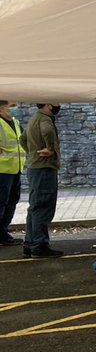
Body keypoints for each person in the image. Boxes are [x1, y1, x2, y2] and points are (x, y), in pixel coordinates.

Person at [20, 103, 61, 258]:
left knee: (35, 207)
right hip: (44, 169)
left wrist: (32, 155)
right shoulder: (45, 119)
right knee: (43, 207)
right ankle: (39, 245)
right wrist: (50, 149)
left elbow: (22, 139)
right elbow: (47, 131)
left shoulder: (34, 118)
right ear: (49, 104)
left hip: (35, 168)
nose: (59, 104)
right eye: (56, 102)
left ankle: (30, 244)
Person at [0, 101, 24, 245]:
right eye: (12, 105)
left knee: (12, 201)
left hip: (15, 169)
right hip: (2, 170)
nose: (15, 108)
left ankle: (3, 232)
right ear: (2, 108)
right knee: (1, 202)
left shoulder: (15, 122)